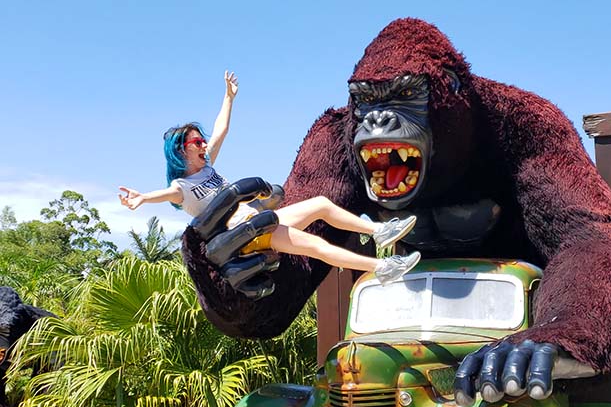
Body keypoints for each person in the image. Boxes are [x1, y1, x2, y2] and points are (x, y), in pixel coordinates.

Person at [119, 72, 420, 284]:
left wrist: (228, 98)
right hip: (248, 237)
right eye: (195, 143)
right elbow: (162, 194)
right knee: (316, 246)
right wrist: (141, 198)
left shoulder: (208, 167)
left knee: (320, 205)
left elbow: (221, 129)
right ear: (180, 153)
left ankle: (378, 231)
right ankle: (383, 267)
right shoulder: (181, 187)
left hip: (263, 220)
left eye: (201, 140)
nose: (202, 145)